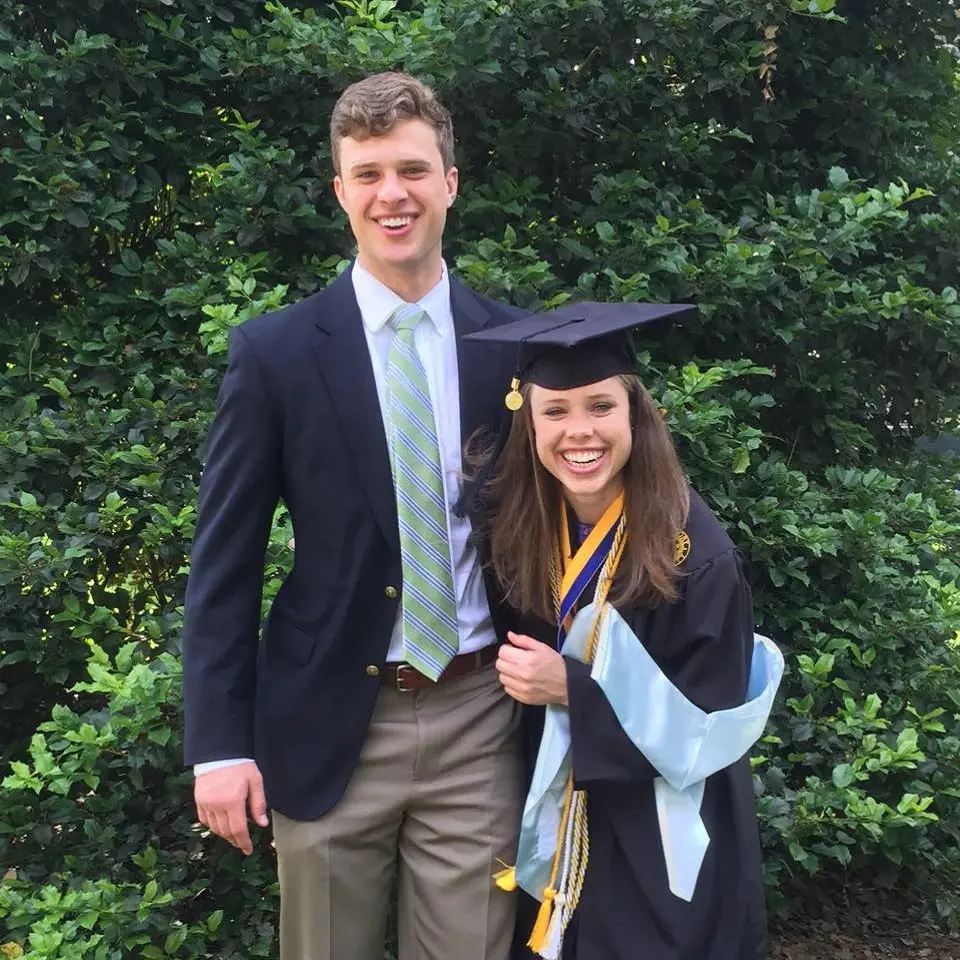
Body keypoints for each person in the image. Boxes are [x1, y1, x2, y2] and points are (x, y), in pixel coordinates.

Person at [181, 72, 525, 960]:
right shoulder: (277, 354)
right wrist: (216, 746)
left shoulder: (516, 347)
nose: (392, 194)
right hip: (331, 713)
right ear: (341, 192)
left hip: (479, 717)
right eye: (368, 174)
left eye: (412, 169)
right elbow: (226, 560)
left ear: (451, 181)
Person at [459, 304, 784, 960]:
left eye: (600, 407)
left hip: (663, 837)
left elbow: (704, 728)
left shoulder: (695, 551)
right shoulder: (518, 530)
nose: (579, 432)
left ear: (634, 413)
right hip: (558, 822)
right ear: (527, 422)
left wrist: (570, 688)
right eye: (556, 411)